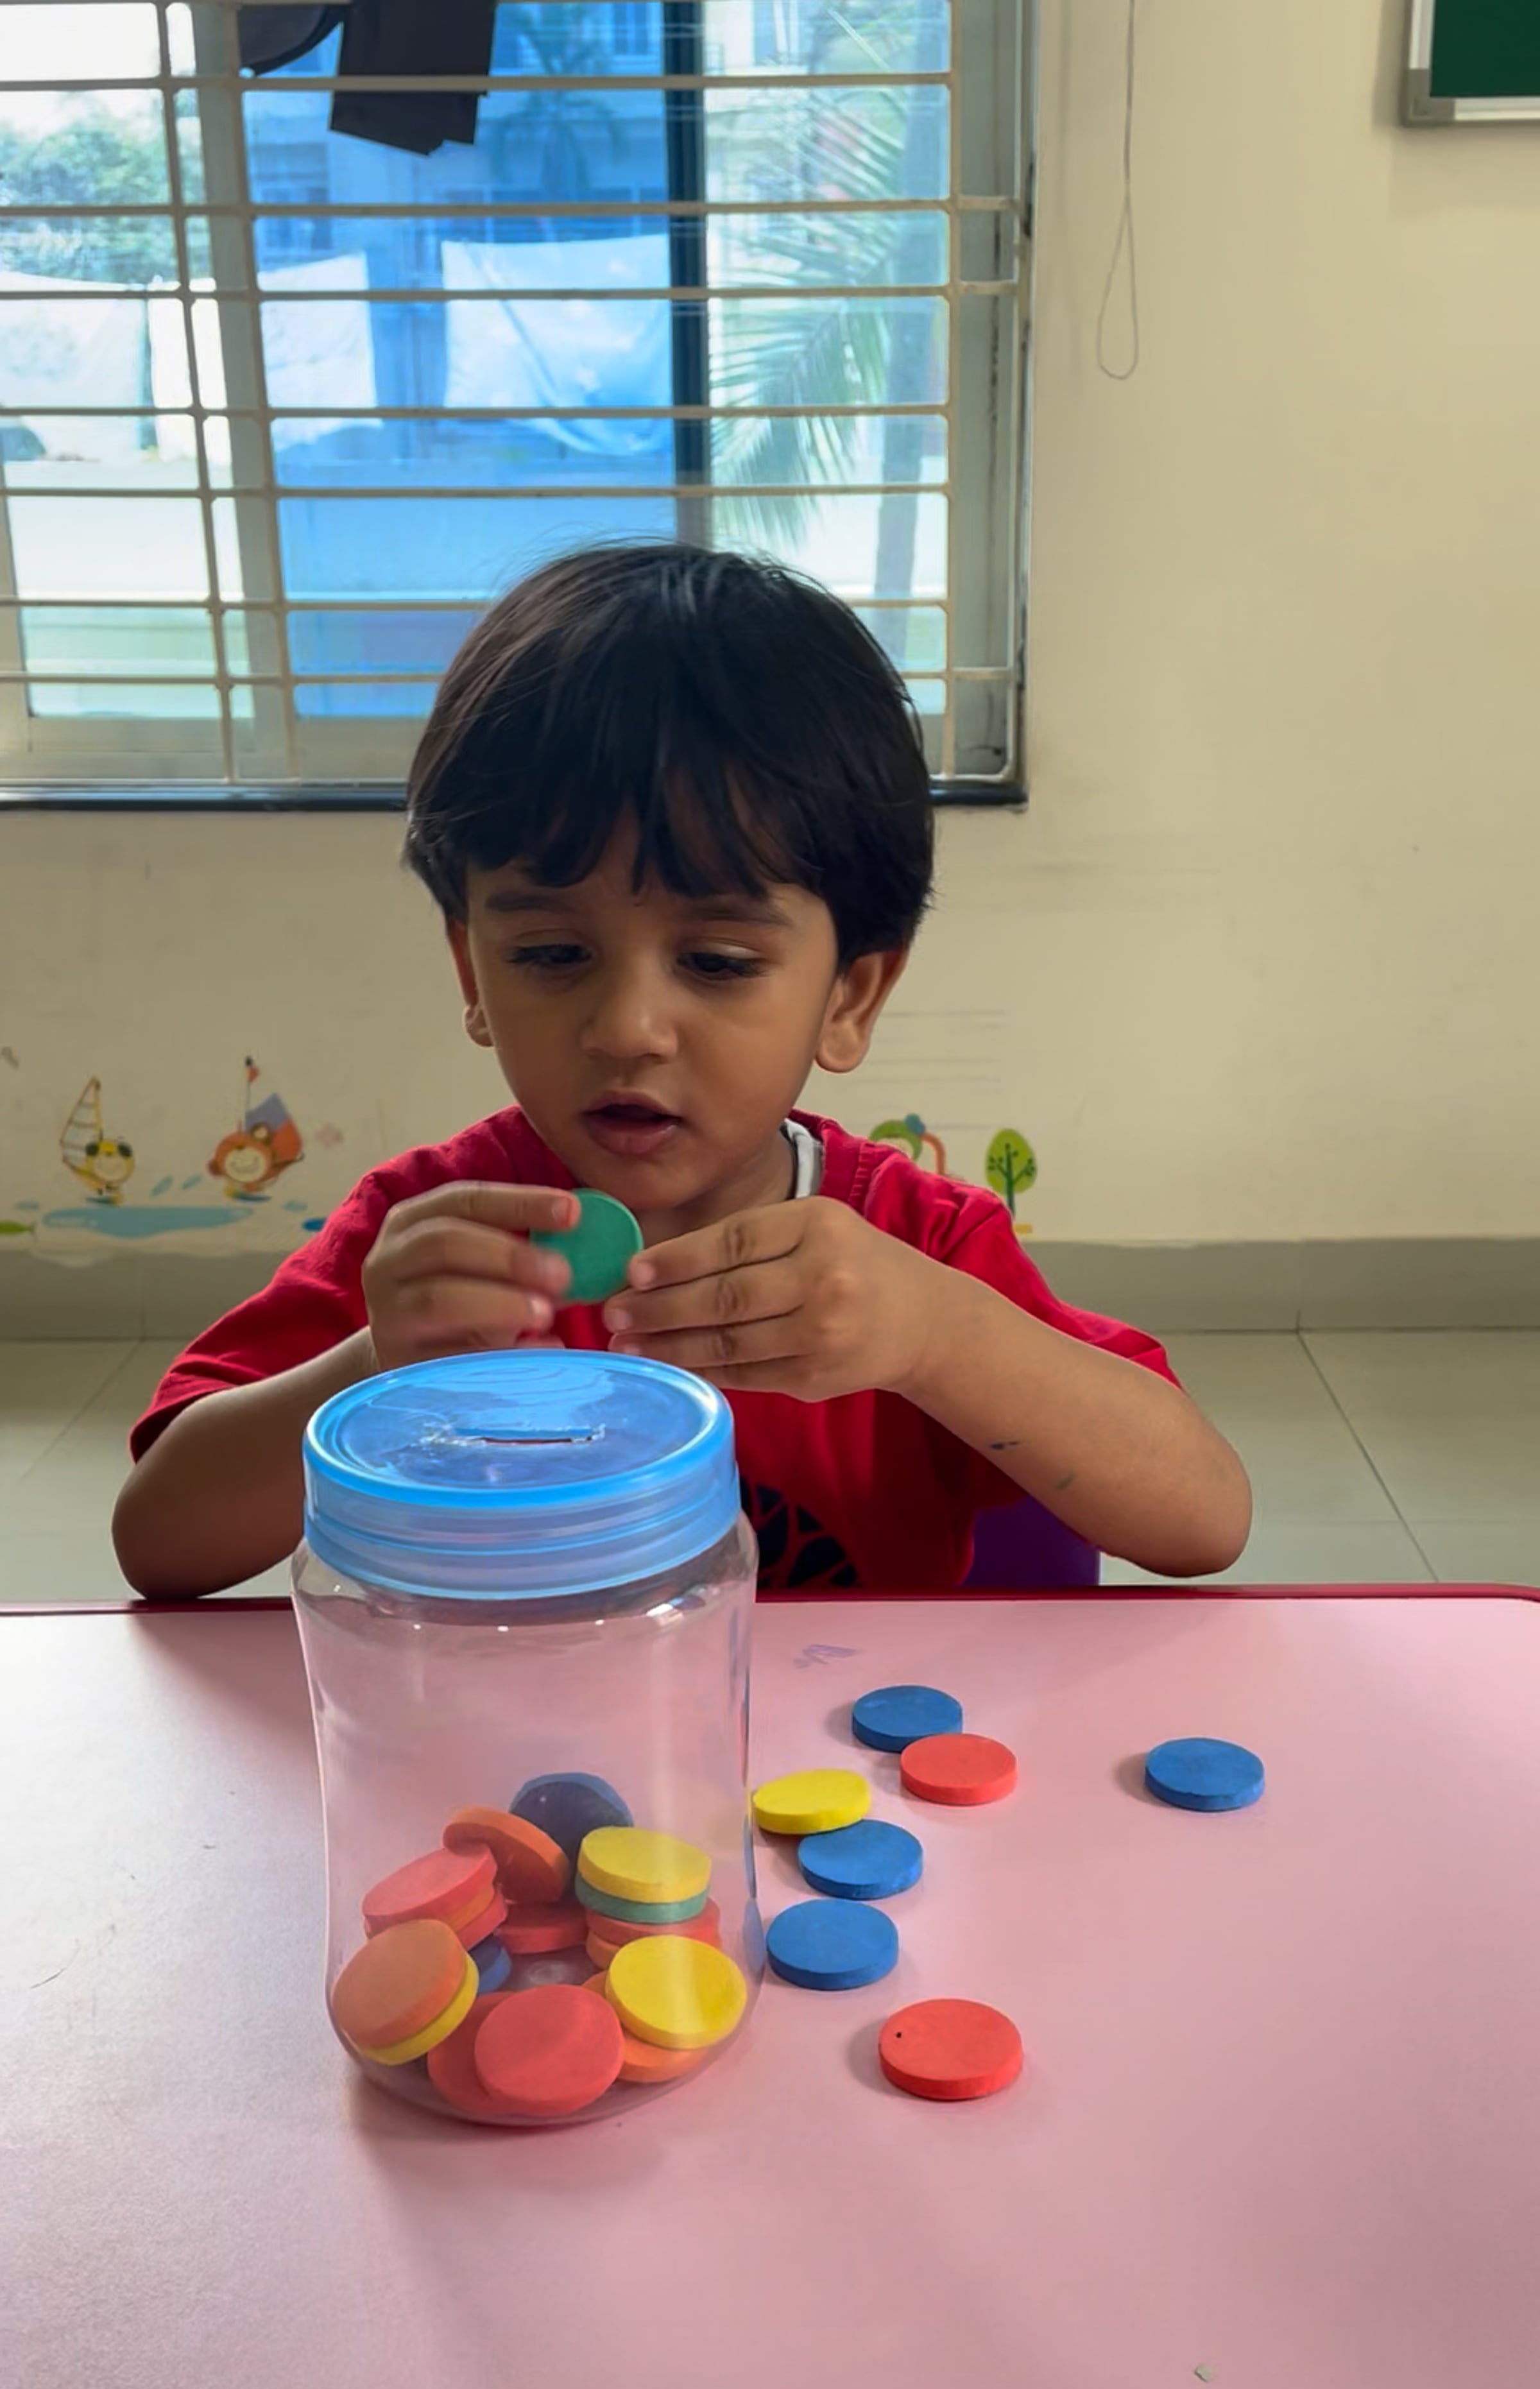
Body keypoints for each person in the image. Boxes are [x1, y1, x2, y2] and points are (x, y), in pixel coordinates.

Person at [114, 544, 1251, 1599]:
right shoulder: (433, 1239)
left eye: (716, 962)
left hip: (839, 1749)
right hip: (508, 1745)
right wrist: (375, 1365)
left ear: (849, 996)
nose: (627, 1028)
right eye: (551, 954)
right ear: (473, 969)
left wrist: (939, 1339)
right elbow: (159, 1545)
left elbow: (1203, 1521)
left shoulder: (914, 1249)